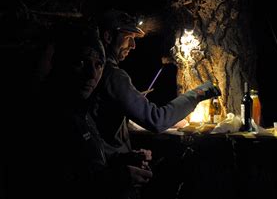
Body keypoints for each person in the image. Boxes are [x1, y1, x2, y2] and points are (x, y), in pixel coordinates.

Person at [28, 20, 153, 199]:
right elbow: (57, 190)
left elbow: (88, 162)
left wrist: (123, 159)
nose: (92, 74)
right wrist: (120, 177)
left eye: (99, 64)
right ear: (60, 64)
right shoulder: (48, 118)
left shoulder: (80, 112)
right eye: (80, 62)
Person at [92, 9, 221, 155]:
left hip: (108, 159)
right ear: (108, 37)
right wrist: (198, 93)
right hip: (109, 166)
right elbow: (156, 120)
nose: (133, 45)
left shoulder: (101, 72)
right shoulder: (113, 75)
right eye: (128, 38)